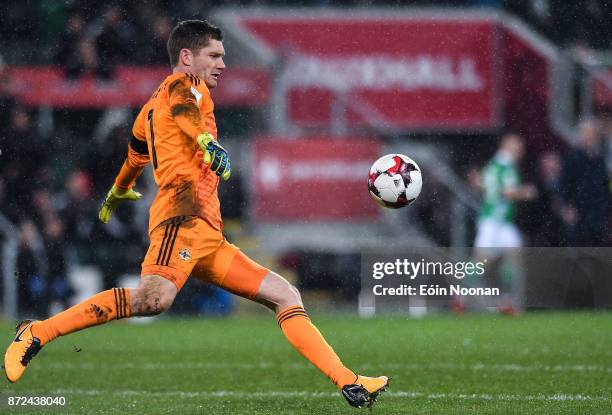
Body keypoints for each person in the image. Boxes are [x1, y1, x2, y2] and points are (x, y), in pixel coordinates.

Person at [4, 20, 388, 409]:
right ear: (186, 57)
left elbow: (136, 155)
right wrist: (206, 140)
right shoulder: (183, 87)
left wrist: (118, 190)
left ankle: (350, 382)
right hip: (180, 220)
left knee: (284, 294)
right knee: (153, 300)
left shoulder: (150, 108)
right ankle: (37, 332)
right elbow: (185, 111)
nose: (222, 64)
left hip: (207, 235)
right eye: (214, 55)